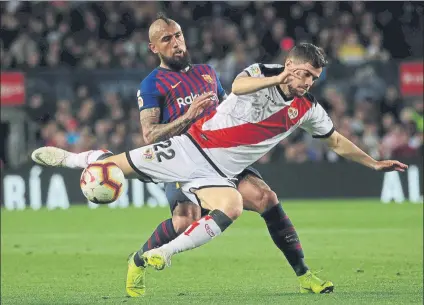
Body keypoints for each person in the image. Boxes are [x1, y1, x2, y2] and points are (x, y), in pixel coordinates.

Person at [31, 43, 407, 296]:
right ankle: (74, 159)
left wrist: (373, 162)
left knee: (241, 204)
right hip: (190, 149)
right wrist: (278, 78)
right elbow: (241, 86)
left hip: (221, 174)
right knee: (116, 166)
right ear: (290, 66)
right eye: (305, 74)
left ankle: (163, 256)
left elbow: (336, 141)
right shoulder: (261, 73)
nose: (308, 83)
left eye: (314, 79)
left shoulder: (308, 109)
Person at [130, 14, 329, 297]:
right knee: (186, 220)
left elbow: (229, 109)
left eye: (178, 35)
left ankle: (305, 275)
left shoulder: (207, 73)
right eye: (167, 39)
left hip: (224, 156)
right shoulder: (151, 85)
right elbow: (149, 135)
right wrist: (188, 115)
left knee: (266, 198)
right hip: (183, 159)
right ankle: (138, 260)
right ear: (154, 48)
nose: (176, 43)